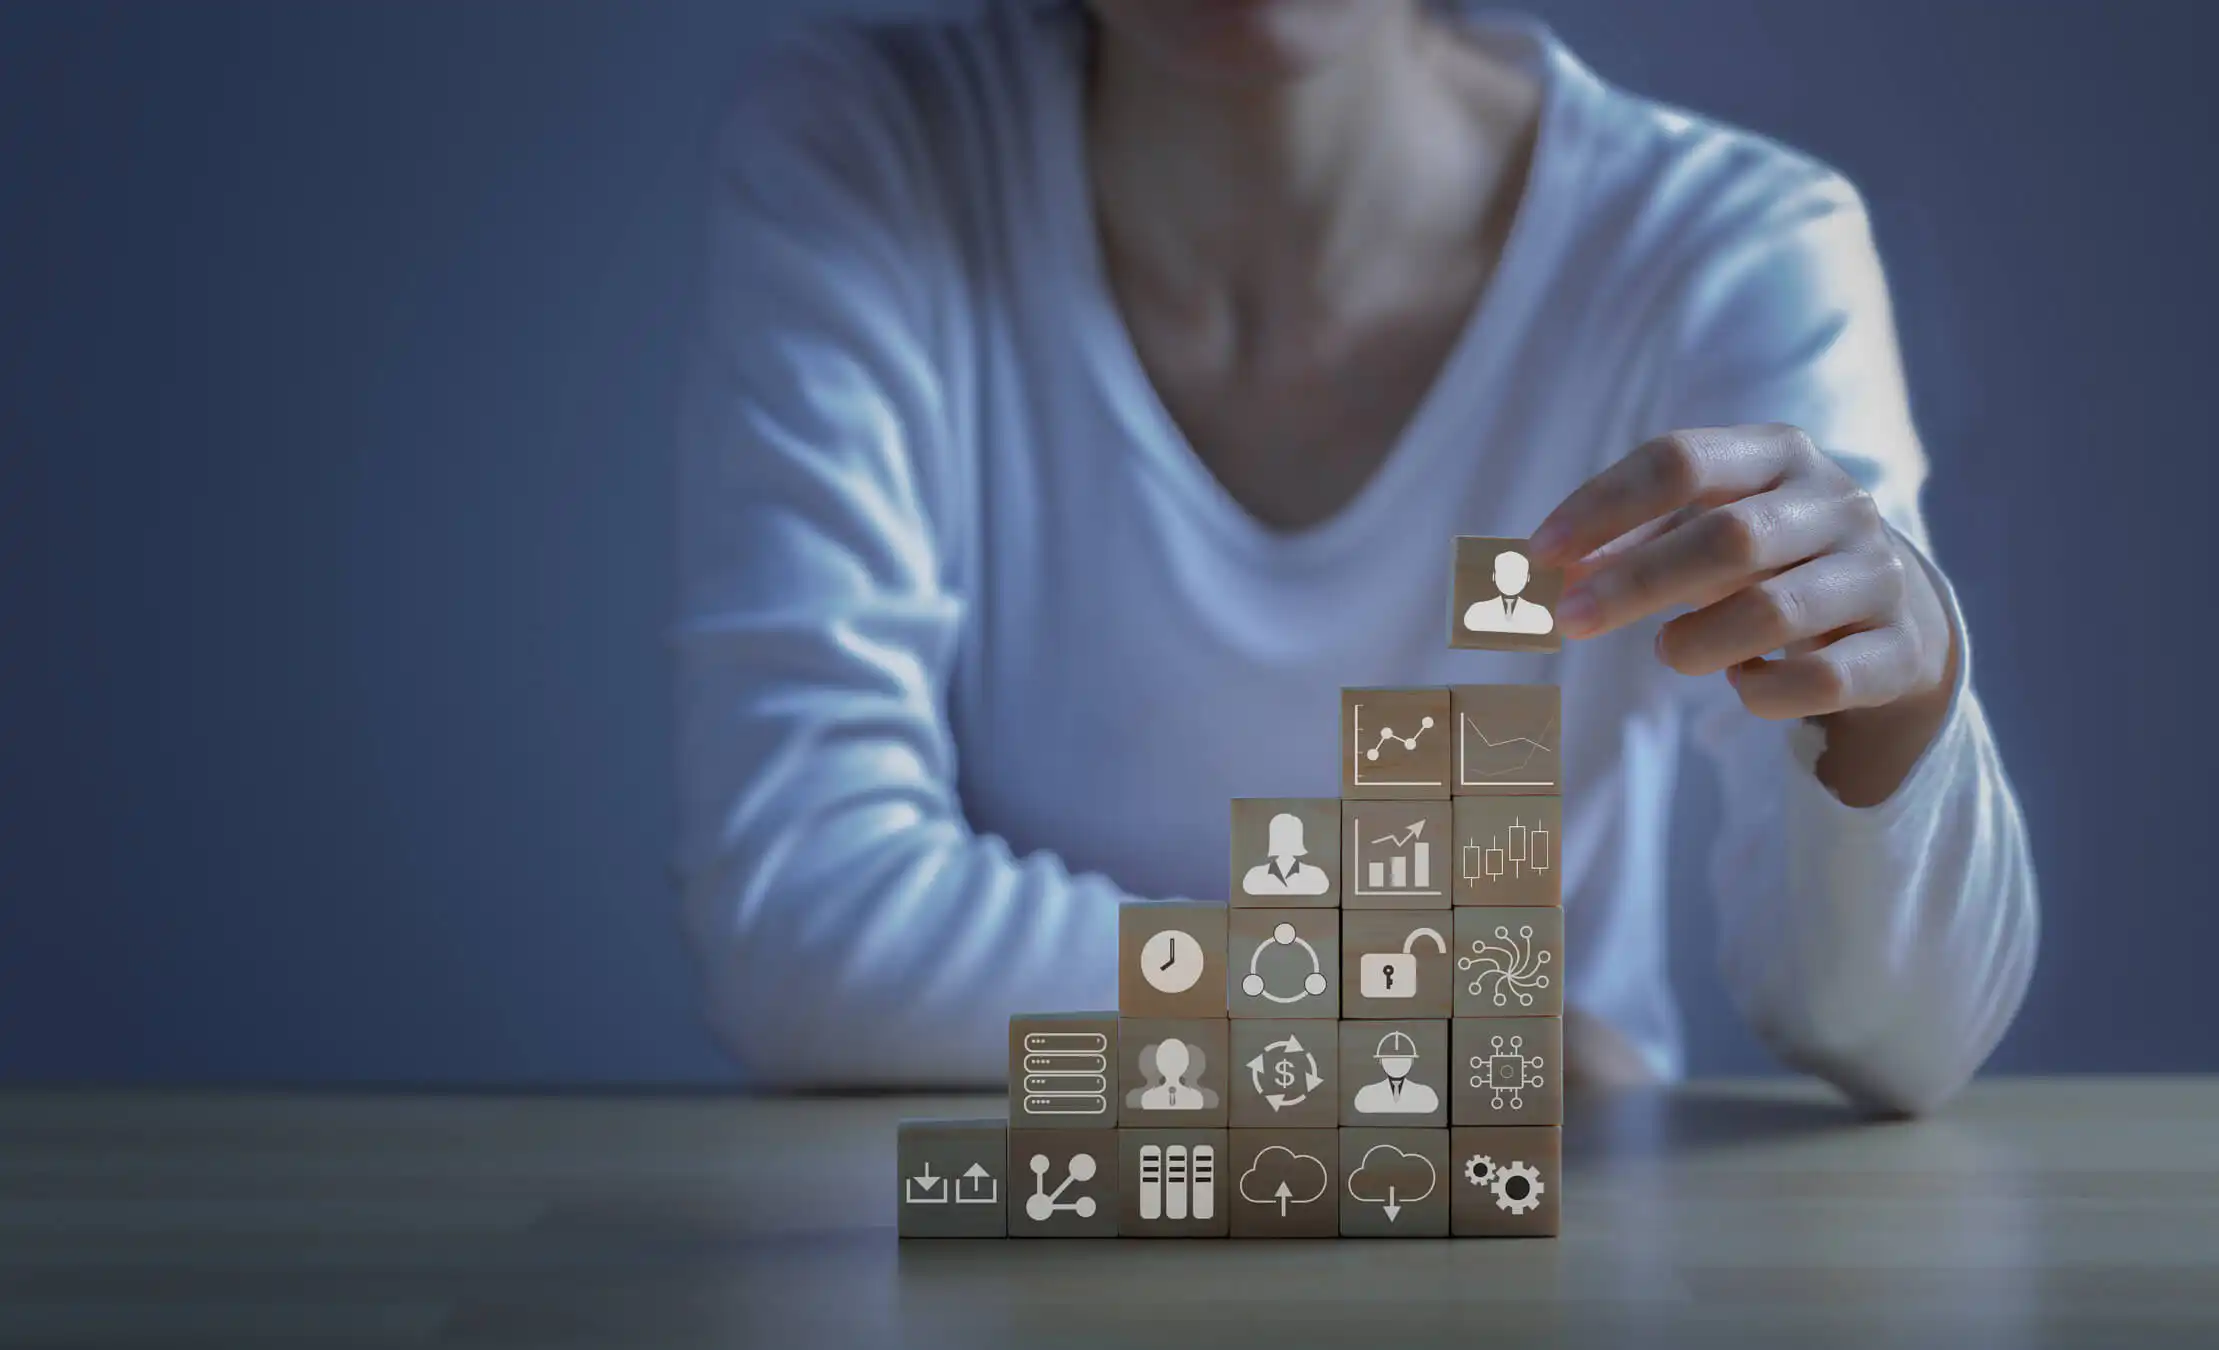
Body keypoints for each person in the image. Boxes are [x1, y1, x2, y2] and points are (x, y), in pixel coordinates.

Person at [674, 0, 2038, 1112]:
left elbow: (1898, 1039)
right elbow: (801, 911)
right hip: (1025, 1246)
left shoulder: (1722, 250)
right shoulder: (875, 150)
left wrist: (1895, 710)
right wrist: (1428, 1015)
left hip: (1530, 1271)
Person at [1462, 549, 1554, 635]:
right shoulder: (1477, 611)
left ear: (1527, 578)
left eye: (1517, 575)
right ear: (1494, 576)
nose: (1510, 580)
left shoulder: (1540, 614)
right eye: (1505, 574)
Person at [1351, 1030, 1441, 1115]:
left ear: (1412, 1061)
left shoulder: (1425, 1094)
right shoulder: (1366, 1093)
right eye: (1389, 1059)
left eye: (1403, 1059)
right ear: (1380, 1061)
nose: (1396, 1063)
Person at [1242, 812, 1332, 896]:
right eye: (1281, 836)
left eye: (1289, 836)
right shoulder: (1255, 875)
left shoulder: (1315, 875)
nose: (1284, 842)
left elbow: (1322, 888)